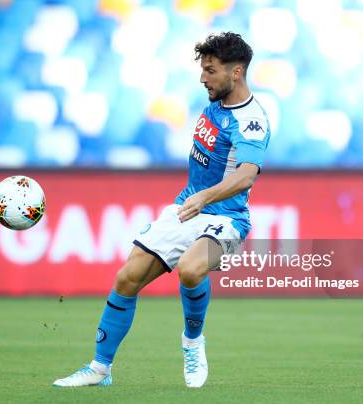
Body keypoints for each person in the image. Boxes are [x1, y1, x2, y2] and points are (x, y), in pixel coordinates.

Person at [53, 32, 270, 388]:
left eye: (210, 70)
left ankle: (193, 343)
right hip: (187, 208)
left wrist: (206, 198)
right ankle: (99, 369)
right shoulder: (213, 106)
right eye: (202, 69)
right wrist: (196, 199)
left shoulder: (252, 121)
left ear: (236, 73)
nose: (203, 78)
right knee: (126, 278)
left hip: (229, 220)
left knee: (190, 269)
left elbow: (246, 176)